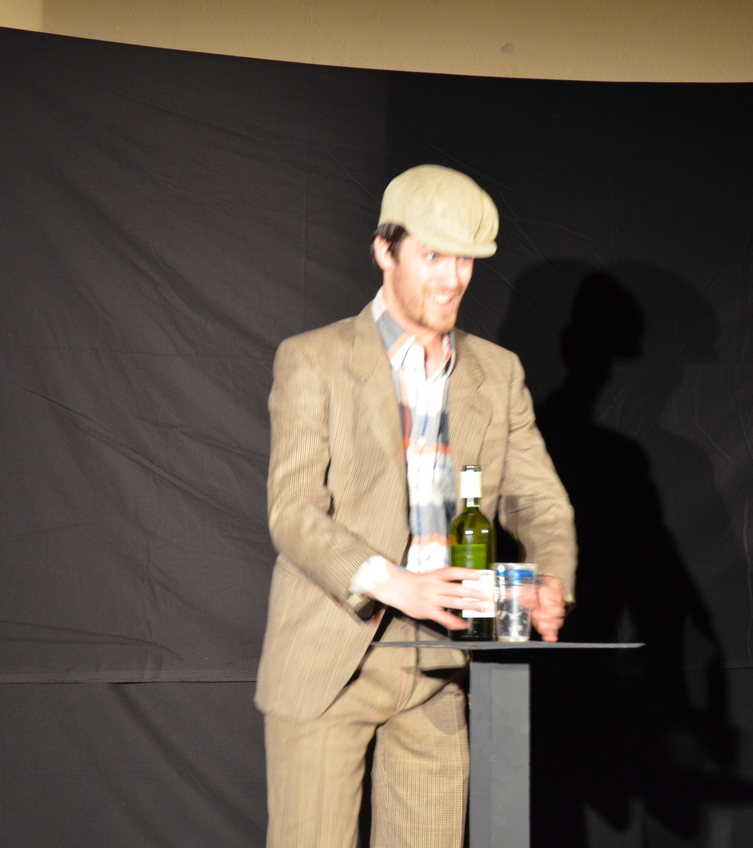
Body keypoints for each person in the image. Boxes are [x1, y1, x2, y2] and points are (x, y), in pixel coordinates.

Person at [255, 164, 577, 848]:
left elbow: (540, 504)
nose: (452, 279)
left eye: (466, 260)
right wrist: (394, 582)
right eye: (433, 256)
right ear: (384, 250)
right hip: (331, 660)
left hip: (439, 665)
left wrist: (551, 580)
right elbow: (293, 512)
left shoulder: (499, 372)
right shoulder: (312, 360)